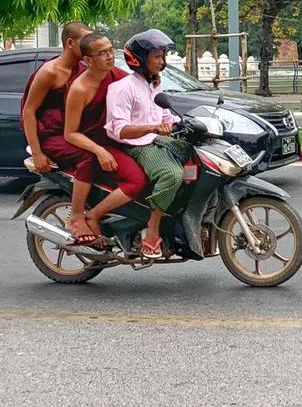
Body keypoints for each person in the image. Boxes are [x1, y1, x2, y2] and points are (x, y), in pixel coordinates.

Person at [104, 29, 192, 259]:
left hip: (156, 140)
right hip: (136, 146)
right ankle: (152, 230)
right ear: (141, 60)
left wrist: (187, 122)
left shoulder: (154, 85)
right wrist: (152, 128)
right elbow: (120, 129)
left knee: (196, 160)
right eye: (157, 57)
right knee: (172, 175)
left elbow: (165, 118)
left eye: (163, 56)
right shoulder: (123, 88)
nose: (162, 62)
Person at [62, 32, 148, 250]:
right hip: (95, 142)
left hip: (121, 139)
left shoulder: (118, 76)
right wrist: (99, 151)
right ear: (87, 60)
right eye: (102, 53)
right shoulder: (79, 89)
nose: (110, 56)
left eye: (111, 50)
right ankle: (87, 215)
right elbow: (70, 133)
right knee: (135, 180)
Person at [20, 21, 94, 237]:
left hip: (75, 132)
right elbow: (29, 112)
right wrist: (37, 152)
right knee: (91, 156)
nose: (90, 45)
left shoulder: (83, 69)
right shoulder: (50, 72)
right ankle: (77, 217)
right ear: (70, 43)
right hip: (52, 136)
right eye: (86, 41)